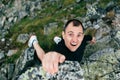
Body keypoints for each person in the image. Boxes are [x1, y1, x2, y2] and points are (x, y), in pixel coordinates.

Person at [28, 19, 96, 75]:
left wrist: (92, 39)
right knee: (44, 59)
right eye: (70, 34)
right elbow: (48, 59)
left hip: (66, 45)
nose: (75, 40)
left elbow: (89, 37)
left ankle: (61, 40)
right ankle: (34, 42)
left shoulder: (84, 38)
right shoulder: (59, 51)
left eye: (79, 35)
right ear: (63, 35)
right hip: (62, 49)